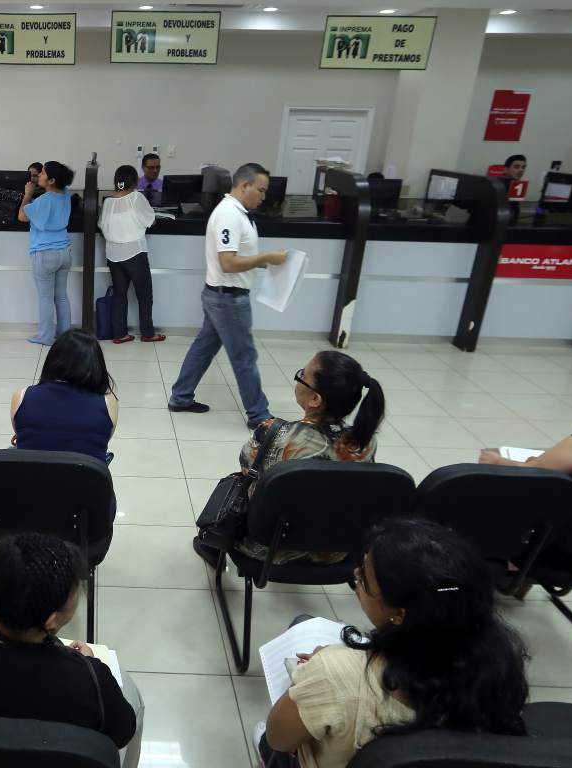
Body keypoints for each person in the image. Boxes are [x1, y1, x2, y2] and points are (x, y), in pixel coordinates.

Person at [258, 518, 529, 768]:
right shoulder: (500, 662)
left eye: (363, 579)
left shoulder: (335, 672)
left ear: (399, 614)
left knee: (272, 743)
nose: (355, 575)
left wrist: (312, 675)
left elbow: (279, 738)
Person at [0, 532, 143, 767]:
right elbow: (123, 732)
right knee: (130, 692)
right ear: (51, 621)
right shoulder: (89, 682)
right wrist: (89, 665)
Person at [199, 351, 385, 567]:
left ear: (315, 399)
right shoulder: (365, 443)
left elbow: (246, 466)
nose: (298, 380)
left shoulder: (273, 432)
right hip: (335, 550)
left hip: (269, 548)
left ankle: (210, 544)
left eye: (302, 375)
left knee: (239, 479)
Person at [168, 163, 287, 430]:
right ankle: (259, 415)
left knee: (203, 348)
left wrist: (260, 262)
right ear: (245, 185)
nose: (264, 196)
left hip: (219, 294)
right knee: (244, 357)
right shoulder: (229, 215)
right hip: (228, 299)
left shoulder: (237, 213)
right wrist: (266, 257)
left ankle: (181, 396)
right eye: (261, 190)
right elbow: (228, 263)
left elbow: (235, 258)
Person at [12, 328, 118, 463]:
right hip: (86, 481)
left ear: (52, 360)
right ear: (96, 365)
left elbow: (22, 433)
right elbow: (102, 440)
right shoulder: (108, 403)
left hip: (31, 481)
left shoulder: (21, 396)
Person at [98, 165, 165, 344]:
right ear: (134, 181)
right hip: (134, 253)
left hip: (113, 254)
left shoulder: (108, 202)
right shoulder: (137, 198)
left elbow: (102, 226)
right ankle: (148, 333)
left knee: (119, 295)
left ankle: (120, 334)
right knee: (144, 295)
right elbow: (150, 220)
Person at [18, 161, 75, 346]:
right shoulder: (65, 195)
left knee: (45, 298)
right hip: (64, 252)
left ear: (51, 180)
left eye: (42, 173)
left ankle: (45, 337)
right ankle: (65, 335)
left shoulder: (43, 200)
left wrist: (27, 194)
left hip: (44, 253)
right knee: (61, 296)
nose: (38, 176)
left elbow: (22, 216)